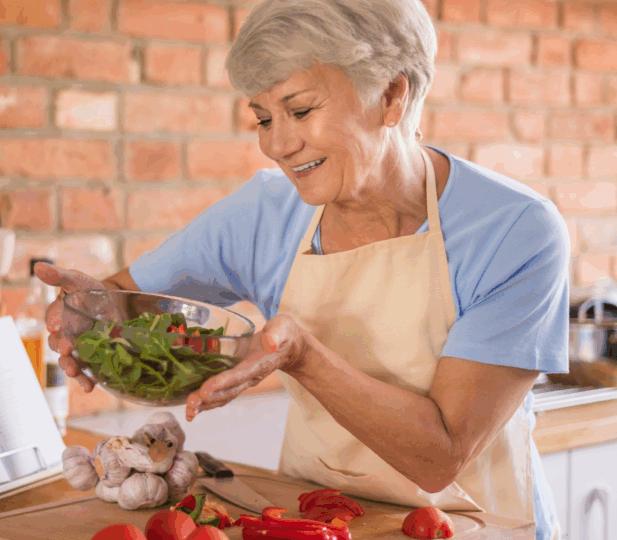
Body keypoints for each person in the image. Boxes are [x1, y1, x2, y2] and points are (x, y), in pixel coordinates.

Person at [34, 0, 569, 537]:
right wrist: (93, 315)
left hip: (472, 521)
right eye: (264, 118)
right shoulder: (264, 213)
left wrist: (302, 356)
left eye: (302, 110)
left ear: (391, 95)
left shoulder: (514, 230)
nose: (277, 144)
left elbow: (441, 456)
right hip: (315, 516)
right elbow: (129, 303)